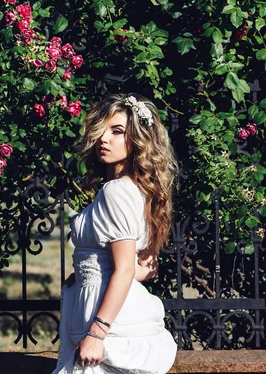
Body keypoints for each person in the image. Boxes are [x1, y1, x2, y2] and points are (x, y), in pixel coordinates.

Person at [53, 93, 178, 374]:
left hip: (106, 321)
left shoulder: (116, 191)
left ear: (138, 140)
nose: (103, 139)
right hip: (102, 308)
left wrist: (97, 334)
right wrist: (89, 269)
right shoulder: (135, 189)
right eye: (102, 130)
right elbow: (146, 267)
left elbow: (125, 271)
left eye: (117, 131)